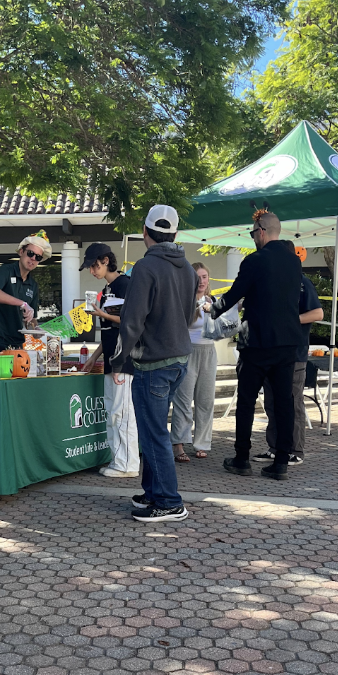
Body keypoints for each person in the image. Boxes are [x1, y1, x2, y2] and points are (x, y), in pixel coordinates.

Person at [111, 205, 198, 523]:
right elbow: (188, 316)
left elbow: (131, 322)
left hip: (152, 363)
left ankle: (170, 502)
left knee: (153, 433)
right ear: (174, 234)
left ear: (145, 232)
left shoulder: (144, 268)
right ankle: (152, 492)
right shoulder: (187, 268)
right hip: (179, 358)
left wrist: (119, 359)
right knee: (153, 430)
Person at [211, 210, 303, 481]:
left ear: (262, 230)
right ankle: (281, 462)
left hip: (257, 343)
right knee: (285, 401)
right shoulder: (294, 262)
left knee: (247, 401)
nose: (252, 238)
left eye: (253, 233)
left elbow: (234, 294)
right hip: (287, 343)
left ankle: (242, 458)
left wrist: (211, 307)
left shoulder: (254, 261)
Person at [253, 241, 323, 466]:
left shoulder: (303, 283)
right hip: (271, 352)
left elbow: (318, 313)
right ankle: (275, 447)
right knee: (272, 402)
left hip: (294, 354)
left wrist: (292, 320)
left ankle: (295, 450)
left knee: (293, 402)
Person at [79, 243, 139, 478]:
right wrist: (94, 357)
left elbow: (130, 322)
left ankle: (127, 464)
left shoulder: (125, 285)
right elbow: (109, 329)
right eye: (90, 268)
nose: (92, 271)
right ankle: (119, 461)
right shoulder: (109, 289)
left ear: (106, 260)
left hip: (124, 360)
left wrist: (101, 314)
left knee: (122, 413)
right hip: (112, 359)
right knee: (113, 412)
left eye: (94, 265)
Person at [171, 262, 219, 461]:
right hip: (188, 352)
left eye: (205, 276)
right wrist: (198, 307)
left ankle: (202, 443)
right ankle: (179, 444)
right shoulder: (184, 300)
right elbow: (181, 325)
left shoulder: (214, 300)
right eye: (198, 277)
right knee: (183, 400)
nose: (201, 281)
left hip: (209, 351)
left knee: (206, 400)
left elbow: (220, 328)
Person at [0, 230, 50, 351]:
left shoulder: (33, 285)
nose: (33, 259)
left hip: (17, 344)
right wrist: (22, 303)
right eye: (30, 253)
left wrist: (35, 330)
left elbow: (32, 320)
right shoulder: (5, 271)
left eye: (38, 257)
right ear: (21, 252)